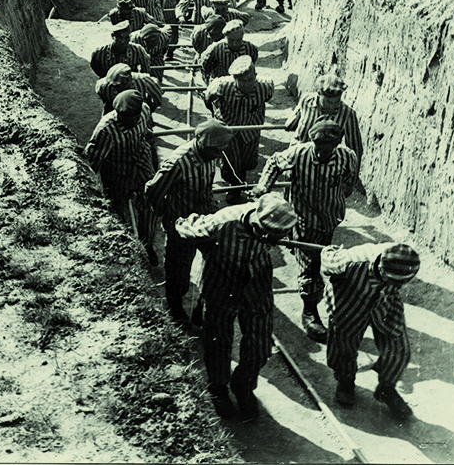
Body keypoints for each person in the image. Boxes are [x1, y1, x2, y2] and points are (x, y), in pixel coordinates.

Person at [175, 193, 298, 418]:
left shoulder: (275, 218)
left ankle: (243, 385)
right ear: (259, 228)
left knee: (261, 341)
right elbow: (185, 228)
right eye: (273, 237)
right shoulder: (221, 222)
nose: (277, 242)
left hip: (257, 272)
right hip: (223, 274)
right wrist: (198, 238)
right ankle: (218, 388)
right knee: (218, 337)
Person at [253, 120, 357, 343]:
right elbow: (274, 162)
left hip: (330, 218)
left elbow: (349, 181)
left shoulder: (347, 156)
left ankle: (297, 248)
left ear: (337, 144)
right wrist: (264, 186)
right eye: (318, 145)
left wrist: (337, 197)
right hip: (303, 217)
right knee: (310, 265)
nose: (321, 151)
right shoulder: (299, 153)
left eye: (327, 146)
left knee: (319, 254)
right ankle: (309, 311)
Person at [145, 120, 235, 325]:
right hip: (181, 224)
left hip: (206, 217)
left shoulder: (211, 156)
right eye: (217, 150)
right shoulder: (178, 162)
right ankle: (175, 308)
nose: (219, 155)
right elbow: (153, 190)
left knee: (217, 261)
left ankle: (201, 308)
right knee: (179, 268)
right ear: (203, 144)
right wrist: (165, 215)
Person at [321, 242, 420, 419]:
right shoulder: (350, 260)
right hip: (350, 302)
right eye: (393, 281)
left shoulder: (402, 259)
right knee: (344, 346)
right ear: (381, 269)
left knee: (399, 348)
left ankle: (386, 388)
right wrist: (331, 251)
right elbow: (327, 262)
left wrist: (391, 286)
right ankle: (346, 382)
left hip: (385, 302)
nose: (399, 285)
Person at [85, 90, 159, 265]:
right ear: (118, 113)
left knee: (151, 200)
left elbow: (147, 128)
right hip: (117, 172)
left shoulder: (145, 110)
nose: (133, 122)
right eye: (127, 118)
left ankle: (146, 245)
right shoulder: (106, 130)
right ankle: (128, 248)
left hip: (141, 161)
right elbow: (92, 162)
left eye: (135, 117)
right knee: (118, 211)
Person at [204, 55, 274, 203]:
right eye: (242, 81)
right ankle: (234, 187)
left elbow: (267, 98)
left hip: (251, 127)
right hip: (229, 127)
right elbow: (208, 97)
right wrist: (216, 113)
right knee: (232, 159)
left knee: (248, 159)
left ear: (255, 75)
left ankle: (239, 178)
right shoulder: (222, 86)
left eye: (250, 79)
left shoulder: (265, 87)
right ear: (234, 79)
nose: (247, 84)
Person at [285, 73, 363, 182]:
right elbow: (292, 122)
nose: (332, 106)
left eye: (336, 102)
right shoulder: (306, 101)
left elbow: (355, 150)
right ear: (318, 93)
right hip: (296, 159)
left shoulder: (347, 115)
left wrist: (351, 180)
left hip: (324, 169)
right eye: (328, 102)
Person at [200, 19, 258, 85]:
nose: (235, 44)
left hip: (242, 84)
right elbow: (206, 67)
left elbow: (251, 64)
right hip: (220, 84)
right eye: (231, 40)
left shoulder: (250, 48)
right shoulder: (215, 49)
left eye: (239, 40)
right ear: (225, 37)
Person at [95, 63, 163, 115]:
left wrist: (148, 110)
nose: (118, 88)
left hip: (138, 116)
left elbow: (157, 98)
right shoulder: (103, 86)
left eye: (122, 85)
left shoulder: (144, 81)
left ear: (130, 79)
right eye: (115, 86)